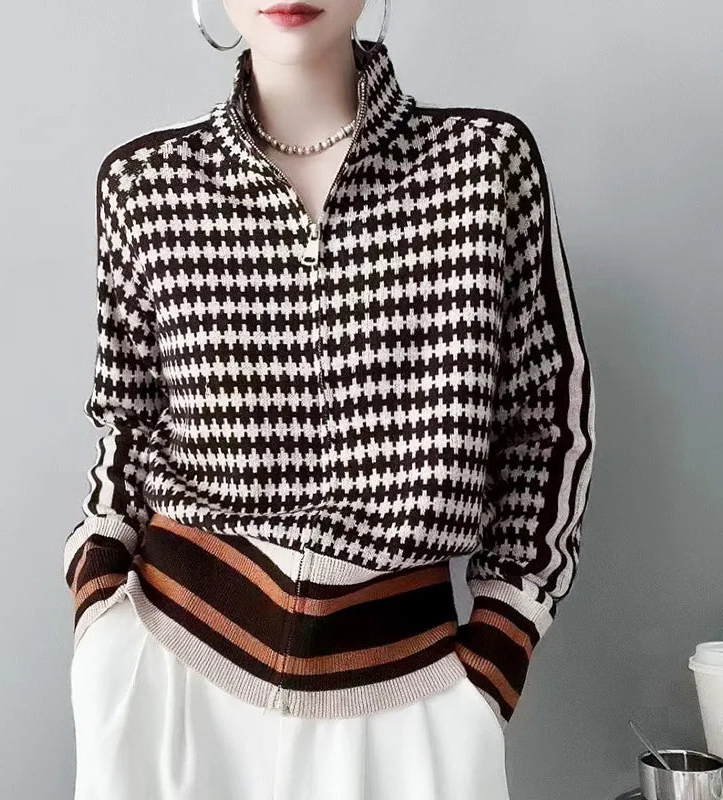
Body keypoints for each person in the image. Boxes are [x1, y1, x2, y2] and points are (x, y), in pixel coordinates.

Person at [64, 1, 597, 798]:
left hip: (411, 691)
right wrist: (100, 610)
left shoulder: (485, 166)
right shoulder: (145, 185)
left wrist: (495, 655)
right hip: (170, 670)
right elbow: (127, 426)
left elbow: (549, 428)